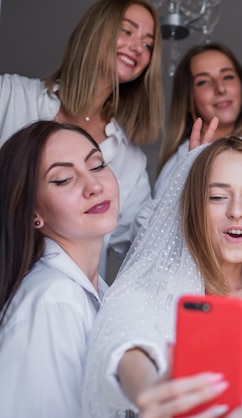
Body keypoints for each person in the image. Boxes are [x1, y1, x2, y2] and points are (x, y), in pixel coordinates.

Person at [82, 136, 242, 417]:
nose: (236, 211)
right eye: (218, 196)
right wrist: (150, 387)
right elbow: (123, 346)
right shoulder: (148, 292)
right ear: (193, 207)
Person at [0, 0, 164, 276]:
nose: (138, 47)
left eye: (148, 44)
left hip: (71, 309)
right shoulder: (11, 95)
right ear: (96, 31)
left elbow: (142, 244)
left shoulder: (128, 157)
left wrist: (186, 177)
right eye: (127, 31)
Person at [0, 121, 119, 417]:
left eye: (97, 165)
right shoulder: (53, 301)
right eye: (64, 179)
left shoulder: (98, 293)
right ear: (33, 213)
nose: (93, 186)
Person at [155, 42, 242, 198]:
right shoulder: (181, 163)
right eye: (204, 82)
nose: (220, 88)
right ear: (187, 100)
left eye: (228, 77)